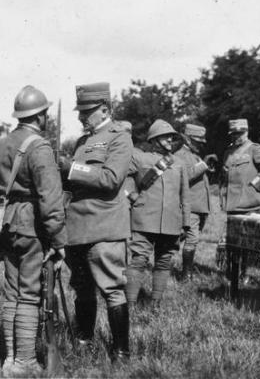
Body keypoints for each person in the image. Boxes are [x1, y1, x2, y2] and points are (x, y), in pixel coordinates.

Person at [58, 82, 133, 362]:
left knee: (112, 289)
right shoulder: (81, 142)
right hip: (77, 228)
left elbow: (111, 179)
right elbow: (71, 184)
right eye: (80, 111)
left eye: (87, 112)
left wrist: (72, 168)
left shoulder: (120, 138)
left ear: (104, 109)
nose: (81, 117)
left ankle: (122, 352)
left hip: (104, 227)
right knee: (82, 289)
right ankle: (85, 342)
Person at [0, 86, 66, 375]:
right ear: (41, 116)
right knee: (28, 293)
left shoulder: (3, 143)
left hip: (6, 223)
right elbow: (50, 199)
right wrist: (58, 239)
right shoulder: (39, 146)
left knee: (10, 293)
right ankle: (24, 363)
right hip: (30, 225)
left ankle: (9, 359)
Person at [124, 119, 190, 309]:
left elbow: (185, 195)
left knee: (164, 262)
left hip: (171, 221)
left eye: (172, 136)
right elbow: (122, 180)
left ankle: (155, 304)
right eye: (166, 136)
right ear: (155, 139)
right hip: (144, 218)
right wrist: (132, 196)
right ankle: (129, 306)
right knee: (138, 260)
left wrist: (186, 223)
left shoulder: (179, 163)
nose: (170, 139)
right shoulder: (140, 158)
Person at [174, 123, 215, 281]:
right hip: (190, 206)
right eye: (197, 142)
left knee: (190, 239)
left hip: (199, 206)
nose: (200, 145)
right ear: (188, 139)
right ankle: (186, 275)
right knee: (191, 239)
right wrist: (204, 164)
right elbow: (185, 176)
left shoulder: (193, 155)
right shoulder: (180, 155)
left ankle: (184, 271)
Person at [220, 119, 260, 213]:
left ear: (246, 132)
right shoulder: (228, 151)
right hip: (230, 204)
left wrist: (254, 184)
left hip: (248, 204)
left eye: (240, 133)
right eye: (234, 134)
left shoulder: (254, 149)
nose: (236, 136)